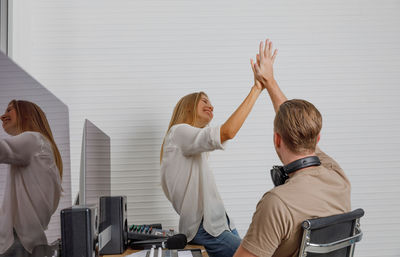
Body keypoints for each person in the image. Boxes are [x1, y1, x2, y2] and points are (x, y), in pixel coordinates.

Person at [233, 39, 351, 257]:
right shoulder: (338, 178)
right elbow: (296, 122)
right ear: (317, 139)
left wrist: (267, 80)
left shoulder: (276, 203)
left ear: (277, 140)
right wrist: (270, 81)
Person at [160, 49, 277, 257]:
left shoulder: (191, 145)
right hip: (206, 229)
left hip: (221, 224)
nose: (211, 105)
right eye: (204, 101)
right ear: (188, 107)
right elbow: (228, 132)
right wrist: (257, 87)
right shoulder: (178, 133)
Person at [0, 100, 63, 257]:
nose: (2, 116)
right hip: (30, 241)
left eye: (9, 110)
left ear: (26, 114)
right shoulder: (43, 146)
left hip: (17, 242)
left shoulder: (33, 140)